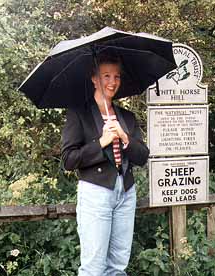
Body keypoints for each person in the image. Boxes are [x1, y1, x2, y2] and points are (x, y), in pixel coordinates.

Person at [61, 53, 149, 276]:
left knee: (118, 266)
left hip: (126, 191)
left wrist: (124, 137)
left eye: (116, 76)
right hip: (96, 192)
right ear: (94, 78)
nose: (112, 82)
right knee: (93, 266)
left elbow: (142, 156)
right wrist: (101, 142)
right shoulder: (78, 114)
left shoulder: (126, 117)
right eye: (106, 76)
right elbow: (69, 160)